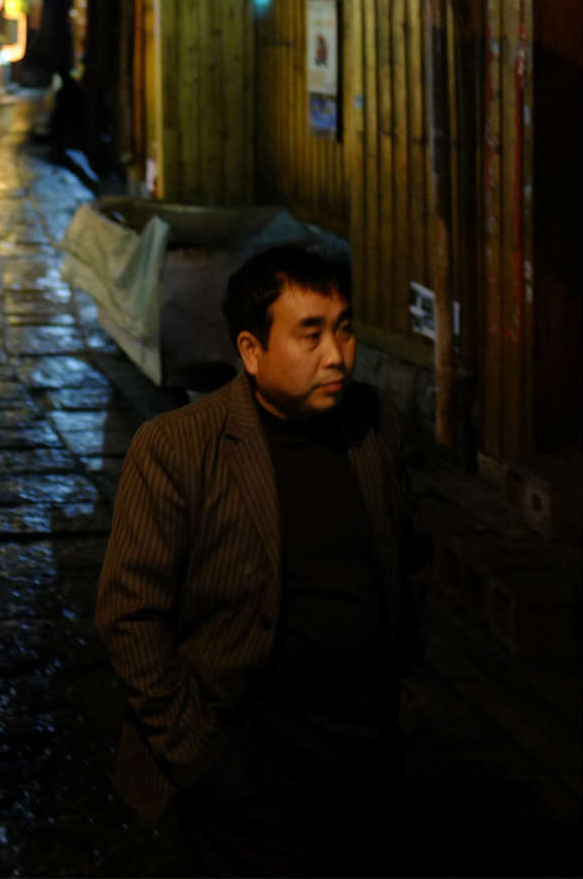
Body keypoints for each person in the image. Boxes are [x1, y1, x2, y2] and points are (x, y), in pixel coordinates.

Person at [95, 242, 424, 877]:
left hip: (366, 761)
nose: (337, 355)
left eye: (344, 329)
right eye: (310, 335)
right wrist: (202, 760)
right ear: (251, 350)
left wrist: (404, 699)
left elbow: (407, 559)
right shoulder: (178, 448)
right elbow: (128, 618)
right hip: (249, 777)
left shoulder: (374, 423)